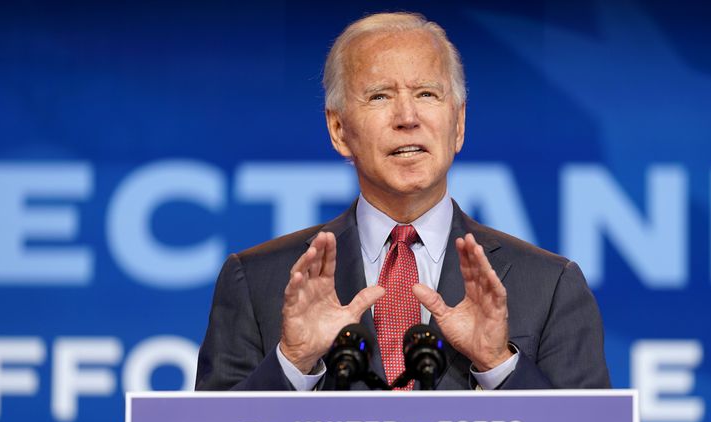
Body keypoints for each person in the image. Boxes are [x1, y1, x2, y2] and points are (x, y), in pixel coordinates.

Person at [195, 12, 610, 392]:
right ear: (339, 129)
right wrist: (294, 362)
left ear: (459, 123)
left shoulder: (549, 286)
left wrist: (498, 364)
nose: (407, 117)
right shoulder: (256, 282)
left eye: (427, 94)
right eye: (379, 96)